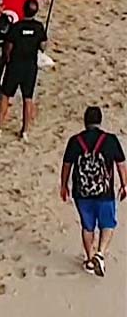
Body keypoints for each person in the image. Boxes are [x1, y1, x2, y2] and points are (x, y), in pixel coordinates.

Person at [61, 106, 127, 277]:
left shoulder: (75, 141)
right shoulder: (110, 140)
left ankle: (90, 259)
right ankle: (100, 253)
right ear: (100, 121)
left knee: (87, 226)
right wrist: (124, 185)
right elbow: (120, 164)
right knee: (108, 224)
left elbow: (67, 165)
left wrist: (64, 185)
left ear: (85, 122)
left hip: (81, 193)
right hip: (104, 192)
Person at [0, 0, 47, 140]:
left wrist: (6, 59)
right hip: (30, 67)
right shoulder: (39, 27)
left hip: (15, 65)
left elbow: (8, 46)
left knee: (5, 95)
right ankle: (24, 131)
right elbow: (43, 47)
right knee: (28, 98)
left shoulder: (16, 27)